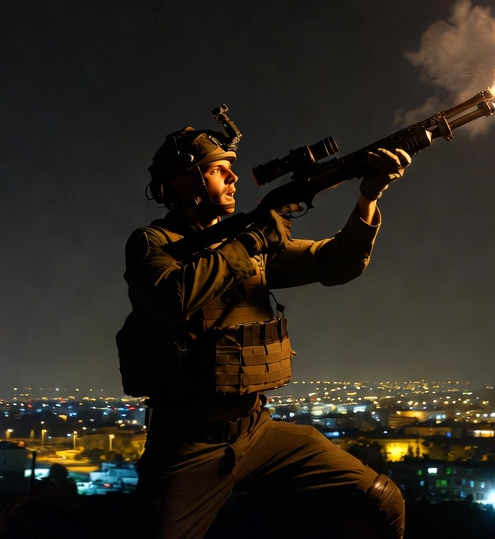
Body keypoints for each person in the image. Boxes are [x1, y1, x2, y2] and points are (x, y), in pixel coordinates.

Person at [119, 122, 410, 538]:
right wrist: (252, 241)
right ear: (186, 182)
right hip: (189, 443)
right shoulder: (152, 243)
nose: (234, 176)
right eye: (220, 169)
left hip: (258, 431)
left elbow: (337, 264)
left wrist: (367, 197)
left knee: (381, 502)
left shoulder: (247, 237)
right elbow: (171, 299)